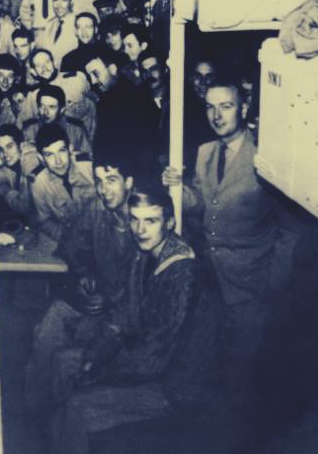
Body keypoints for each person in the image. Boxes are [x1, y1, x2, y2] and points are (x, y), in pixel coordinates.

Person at [49, 185, 218, 454]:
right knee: (62, 362)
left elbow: (154, 356)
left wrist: (99, 373)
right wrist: (95, 355)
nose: (140, 229)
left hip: (175, 386)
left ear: (170, 222)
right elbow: (122, 317)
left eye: (151, 221)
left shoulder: (182, 271)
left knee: (78, 406)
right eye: (135, 219)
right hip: (146, 362)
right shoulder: (143, 254)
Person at [162, 77, 297, 404]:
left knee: (243, 381)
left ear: (244, 108)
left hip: (252, 286)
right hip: (211, 281)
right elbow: (205, 208)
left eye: (226, 106)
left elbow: (290, 229)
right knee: (210, 370)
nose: (216, 115)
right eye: (210, 107)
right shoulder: (205, 152)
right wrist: (178, 189)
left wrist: (272, 281)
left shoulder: (266, 157)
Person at [25, 149, 136, 412]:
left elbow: (143, 295)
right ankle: (37, 415)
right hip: (97, 304)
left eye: (111, 180)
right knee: (51, 321)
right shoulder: (98, 208)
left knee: (67, 353)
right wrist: (84, 274)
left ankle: (60, 417)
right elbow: (71, 245)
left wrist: (108, 300)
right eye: (98, 181)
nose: (104, 189)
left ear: (129, 182)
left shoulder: (143, 219)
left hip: (125, 318)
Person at [84, 50, 159, 174]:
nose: (93, 81)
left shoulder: (136, 98)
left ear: (112, 69)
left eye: (95, 74)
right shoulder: (106, 101)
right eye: (89, 76)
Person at [30, 123, 96, 241]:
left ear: (70, 149)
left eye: (62, 151)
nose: (58, 161)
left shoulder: (89, 167)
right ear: (41, 159)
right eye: (49, 155)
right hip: (72, 239)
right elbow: (44, 221)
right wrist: (67, 237)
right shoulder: (39, 183)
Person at [21, 48, 97, 139]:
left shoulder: (76, 80)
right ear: (33, 72)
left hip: (82, 139)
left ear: (53, 62)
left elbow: (93, 106)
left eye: (47, 62)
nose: (44, 68)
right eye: (38, 65)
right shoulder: (32, 96)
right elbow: (26, 126)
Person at [22, 85, 91, 155]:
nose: (45, 112)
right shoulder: (30, 129)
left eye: (51, 107)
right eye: (42, 106)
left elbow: (87, 156)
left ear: (62, 110)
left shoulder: (76, 129)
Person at [37, 0, 79, 69]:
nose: (58, 5)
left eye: (64, 0)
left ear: (70, 2)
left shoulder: (78, 24)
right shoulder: (49, 24)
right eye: (55, 0)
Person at [119, 22, 149, 87]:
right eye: (124, 47)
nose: (125, 51)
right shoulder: (125, 72)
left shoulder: (155, 68)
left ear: (143, 45)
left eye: (130, 45)